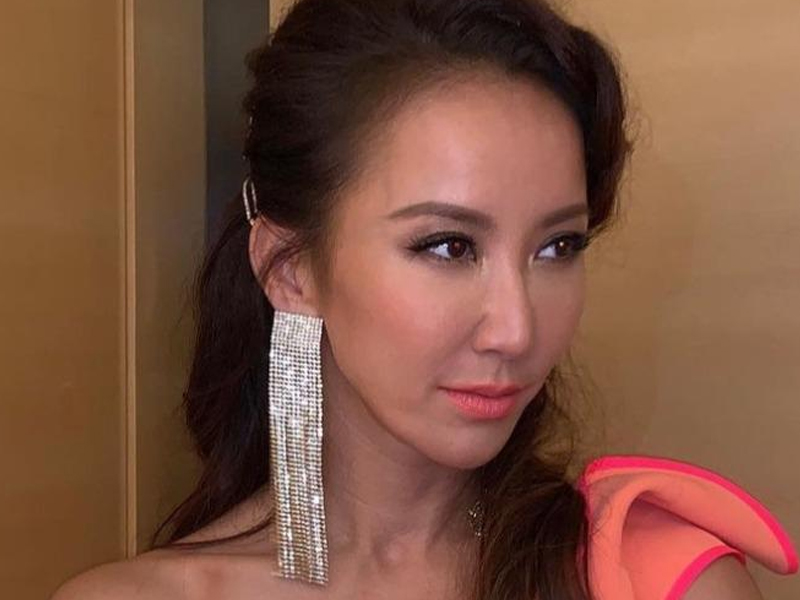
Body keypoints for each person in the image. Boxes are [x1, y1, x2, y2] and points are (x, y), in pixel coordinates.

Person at [52, 0, 797, 598]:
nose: (516, 330)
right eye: (448, 246)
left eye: (557, 247)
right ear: (291, 270)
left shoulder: (649, 577)